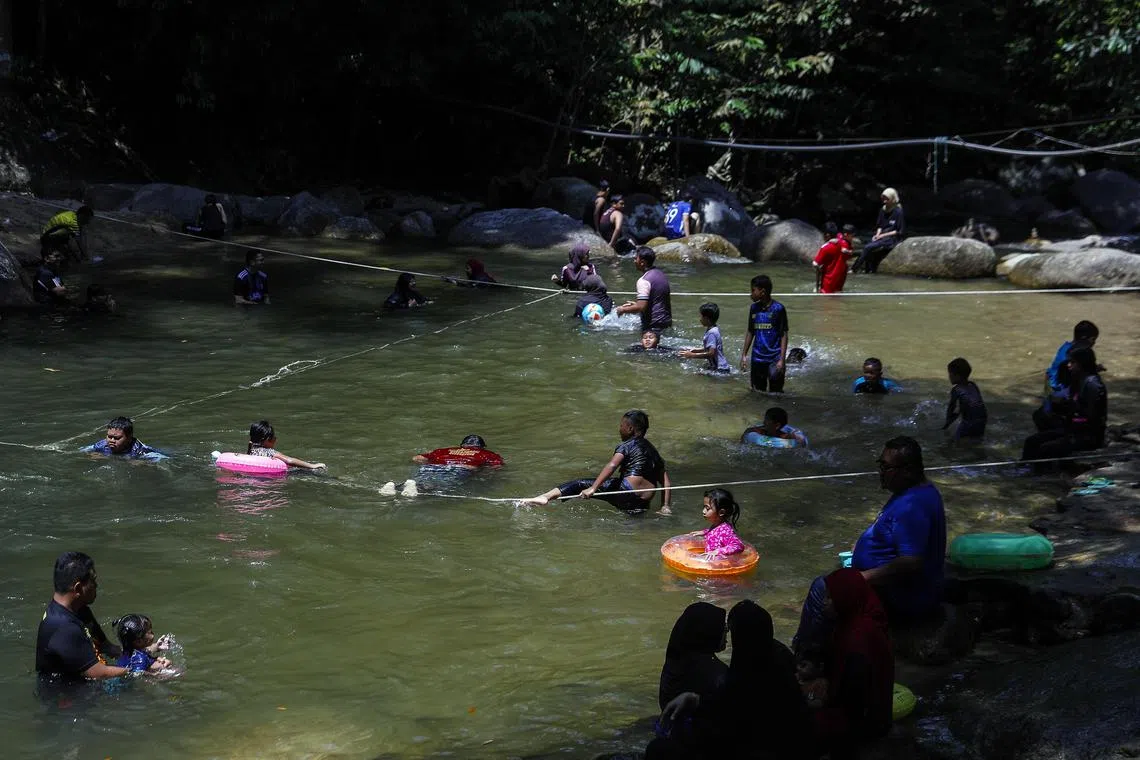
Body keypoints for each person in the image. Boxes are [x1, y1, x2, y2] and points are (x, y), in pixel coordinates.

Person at [794, 436, 946, 650]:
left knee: (822, 588)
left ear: (908, 470)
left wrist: (860, 579)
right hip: (893, 585)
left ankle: (807, 655)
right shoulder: (912, 492)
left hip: (903, 597)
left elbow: (911, 562)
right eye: (880, 465)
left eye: (886, 467)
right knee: (834, 584)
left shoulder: (914, 506)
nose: (880, 472)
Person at [650, 600, 812, 760]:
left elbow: (732, 719)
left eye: (731, 630)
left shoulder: (727, 674)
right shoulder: (777, 659)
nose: (726, 631)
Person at [521, 409, 672, 512]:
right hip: (643, 502)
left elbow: (612, 465)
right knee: (632, 525)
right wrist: (665, 506)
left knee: (578, 484)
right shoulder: (654, 452)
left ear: (630, 429)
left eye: (621, 426)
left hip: (626, 491)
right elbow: (666, 482)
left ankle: (544, 497)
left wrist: (593, 488)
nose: (619, 429)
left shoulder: (627, 445)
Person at [814, 569, 895, 756]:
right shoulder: (859, 621)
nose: (824, 603)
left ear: (845, 598)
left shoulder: (856, 641)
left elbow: (853, 706)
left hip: (864, 725)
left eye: (830, 598)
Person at [36, 551, 127, 683]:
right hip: (66, 697)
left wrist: (144, 654)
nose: (97, 585)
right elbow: (98, 673)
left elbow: (107, 647)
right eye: (93, 581)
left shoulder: (80, 610)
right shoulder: (63, 626)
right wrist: (141, 670)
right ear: (78, 588)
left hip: (87, 680)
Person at [1022, 346, 1107, 473]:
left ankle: (1041, 476)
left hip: (1088, 436)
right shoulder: (1080, 379)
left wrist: (1069, 412)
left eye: (1072, 362)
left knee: (1045, 449)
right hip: (1073, 429)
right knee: (1031, 441)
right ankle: (1023, 469)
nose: (1068, 365)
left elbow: (1091, 418)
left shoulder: (1092, 385)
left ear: (1082, 364)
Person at [658, 602, 728, 711]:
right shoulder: (717, 675)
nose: (726, 630)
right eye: (721, 626)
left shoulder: (676, 663)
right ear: (706, 633)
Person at [1039, 320, 1101, 422]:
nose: (1094, 343)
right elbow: (1071, 379)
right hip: (1059, 394)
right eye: (1093, 339)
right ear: (1084, 339)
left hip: (1051, 387)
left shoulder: (1065, 347)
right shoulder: (1074, 355)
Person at [739, 274, 788, 393]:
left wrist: (782, 360)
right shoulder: (754, 308)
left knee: (776, 393)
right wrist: (744, 355)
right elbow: (751, 331)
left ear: (762, 292)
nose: (751, 294)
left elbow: (783, 335)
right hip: (757, 359)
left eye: (753, 290)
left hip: (774, 359)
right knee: (757, 392)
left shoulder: (778, 309)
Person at [616, 246, 673, 334]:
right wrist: (635, 305)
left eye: (636, 259)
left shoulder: (644, 280)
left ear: (642, 262)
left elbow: (641, 307)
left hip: (652, 326)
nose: (634, 261)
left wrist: (622, 310)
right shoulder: (660, 274)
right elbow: (656, 300)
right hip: (666, 323)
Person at [851, 188, 904, 274]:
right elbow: (879, 226)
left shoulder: (898, 211)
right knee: (868, 246)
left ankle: (854, 269)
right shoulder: (883, 210)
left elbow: (898, 231)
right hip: (882, 236)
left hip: (892, 238)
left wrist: (882, 236)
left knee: (868, 248)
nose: (884, 201)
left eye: (887, 199)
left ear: (892, 198)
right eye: (883, 199)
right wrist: (877, 234)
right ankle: (867, 270)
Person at [247, 420, 326, 470]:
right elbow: (289, 460)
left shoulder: (252, 450)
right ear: (268, 440)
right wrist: (312, 465)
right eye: (274, 437)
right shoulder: (270, 452)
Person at [81, 416, 168, 461]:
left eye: (117, 438)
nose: (111, 440)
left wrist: (144, 463)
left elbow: (163, 459)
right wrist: (89, 455)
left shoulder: (140, 450)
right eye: (109, 436)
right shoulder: (102, 444)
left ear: (129, 438)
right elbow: (82, 451)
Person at [678, 302, 731, 373]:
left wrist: (692, 355)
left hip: (720, 369)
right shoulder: (714, 328)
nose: (700, 319)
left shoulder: (711, 333)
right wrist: (696, 350)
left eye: (701, 317)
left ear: (706, 319)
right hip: (720, 367)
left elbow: (711, 353)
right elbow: (712, 348)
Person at [943, 357, 987, 439]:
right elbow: (971, 404)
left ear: (957, 376)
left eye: (950, 374)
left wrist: (947, 424)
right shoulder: (973, 385)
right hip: (982, 418)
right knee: (977, 440)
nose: (949, 376)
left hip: (969, 421)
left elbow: (951, 408)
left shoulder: (956, 389)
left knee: (955, 441)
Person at [694, 487, 744, 556]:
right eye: (704, 507)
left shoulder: (725, 530)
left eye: (707, 508)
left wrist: (718, 551)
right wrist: (705, 532)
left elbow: (738, 546)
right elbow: (715, 532)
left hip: (720, 565)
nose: (703, 511)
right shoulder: (718, 525)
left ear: (721, 512)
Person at [412, 434, 504, 469]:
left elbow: (416, 458)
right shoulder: (488, 454)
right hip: (462, 468)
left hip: (434, 466)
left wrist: (432, 463)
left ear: (461, 445)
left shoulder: (444, 450)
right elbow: (497, 466)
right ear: (482, 447)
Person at [813, 222, 855, 294]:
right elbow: (849, 254)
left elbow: (815, 264)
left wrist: (817, 284)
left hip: (827, 283)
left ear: (827, 235)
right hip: (840, 281)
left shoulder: (825, 248)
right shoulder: (844, 243)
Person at [741, 407, 809, 447]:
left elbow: (802, 440)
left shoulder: (784, 436)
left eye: (766, 420)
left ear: (777, 425)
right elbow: (747, 432)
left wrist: (800, 439)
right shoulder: (761, 431)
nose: (763, 422)